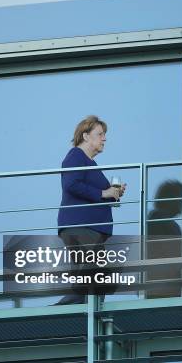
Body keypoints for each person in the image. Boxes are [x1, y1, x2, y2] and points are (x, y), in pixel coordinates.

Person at [56, 115, 125, 305]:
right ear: (86, 136)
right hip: (81, 227)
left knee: (91, 281)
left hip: (89, 229)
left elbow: (94, 192)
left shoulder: (90, 163)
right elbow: (71, 184)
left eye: (104, 135)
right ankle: (57, 315)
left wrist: (113, 192)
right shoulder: (75, 156)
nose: (104, 138)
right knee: (94, 278)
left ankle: (79, 320)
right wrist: (104, 192)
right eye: (100, 134)